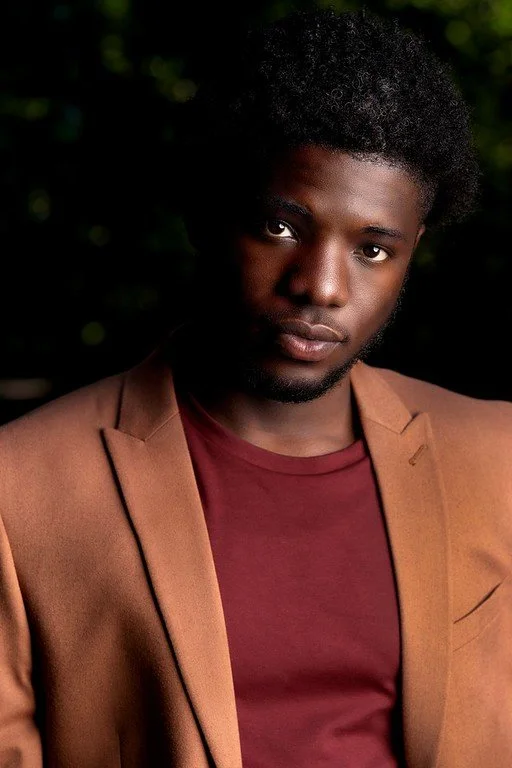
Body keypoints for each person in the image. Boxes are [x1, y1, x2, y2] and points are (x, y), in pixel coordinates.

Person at [0, 8, 511, 767]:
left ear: (412, 255)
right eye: (281, 228)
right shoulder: (21, 484)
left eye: (373, 248)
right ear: (209, 217)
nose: (322, 287)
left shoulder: (500, 457)